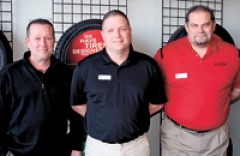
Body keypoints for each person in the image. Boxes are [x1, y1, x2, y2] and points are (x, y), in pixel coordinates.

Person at [70, 10, 167, 156]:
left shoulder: (148, 65)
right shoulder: (86, 67)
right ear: (103, 35)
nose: (117, 35)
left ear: (130, 32)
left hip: (137, 147)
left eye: (122, 29)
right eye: (110, 30)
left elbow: (157, 103)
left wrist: (135, 115)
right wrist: (98, 117)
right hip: (98, 148)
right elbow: (76, 103)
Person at [154, 5, 240, 156]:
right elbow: (153, 91)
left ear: (213, 26)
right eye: (194, 25)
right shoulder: (165, 54)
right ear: (186, 27)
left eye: (205, 24)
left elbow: (237, 89)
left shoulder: (233, 54)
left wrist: (216, 102)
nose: (200, 30)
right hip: (177, 139)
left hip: (216, 140)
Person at [0, 18, 85, 156]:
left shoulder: (66, 74)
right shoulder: (9, 74)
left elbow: (76, 115)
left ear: (54, 40)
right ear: (27, 42)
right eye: (37, 38)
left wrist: (76, 147)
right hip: (18, 152)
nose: (43, 44)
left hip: (58, 152)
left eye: (48, 38)